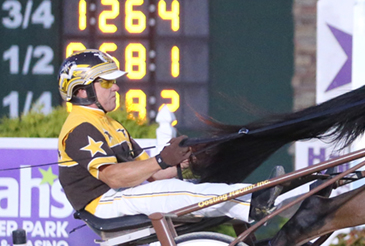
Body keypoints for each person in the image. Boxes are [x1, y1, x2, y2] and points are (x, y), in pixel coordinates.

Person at [56, 49, 282, 222]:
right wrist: (162, 159)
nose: (115, 88)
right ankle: (254, 201)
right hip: (102, 203)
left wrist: (186, 164)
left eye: (114, 81)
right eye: (106, 82)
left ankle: (253, 201)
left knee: (189, 185)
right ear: (81, 90)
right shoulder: (80, 126)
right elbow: (114, 177)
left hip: (120, 196)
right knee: (175, 192)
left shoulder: (111, 124)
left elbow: (153, 174)